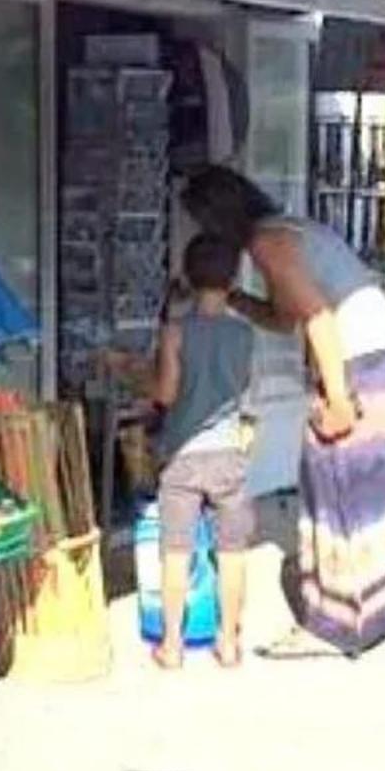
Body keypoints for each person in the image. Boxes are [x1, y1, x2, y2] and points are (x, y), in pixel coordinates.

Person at [179, 166, 385, 656]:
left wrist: (337, 399)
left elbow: (318, 318)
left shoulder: (270, 244)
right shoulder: (292, 230)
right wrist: (231, 298)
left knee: (333, 485)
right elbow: (284, 318)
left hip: (357, 365)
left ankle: (334, 623)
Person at [143, 233, 258, 670]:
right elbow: (242, 387)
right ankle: (228, 643)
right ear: (232, 279)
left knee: (176, 550)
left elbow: (167, 394)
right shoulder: (244, 334)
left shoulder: (175, 332)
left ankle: (172, 646)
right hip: (229, 451)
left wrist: (144, 378)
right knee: (232, 552)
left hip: (183, 455)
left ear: (188, 278)